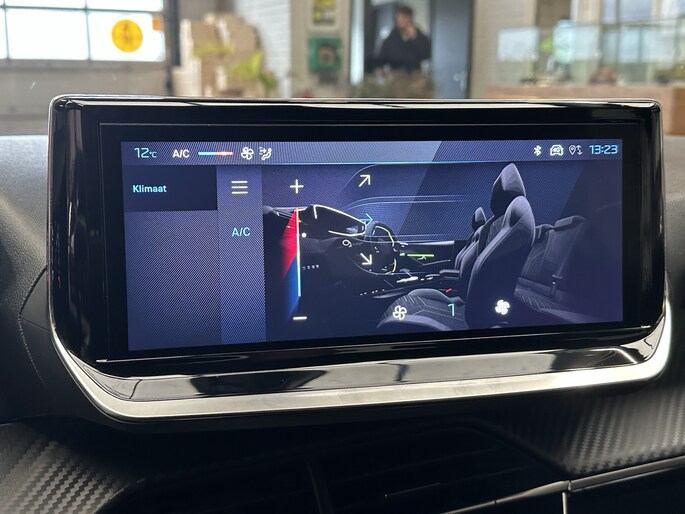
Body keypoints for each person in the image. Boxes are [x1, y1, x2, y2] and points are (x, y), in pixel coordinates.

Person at [378, 5, 431, 73]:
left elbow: (427, 55)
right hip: (395, 74)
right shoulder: (391, 37)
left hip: (414, 74)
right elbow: (382, 57)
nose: (400, 20)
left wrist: (415, 38)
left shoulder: (419, 36)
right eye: (398, 17)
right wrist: (380, 68)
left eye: (404, 17)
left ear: (410, 19)